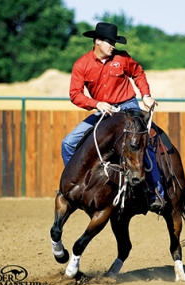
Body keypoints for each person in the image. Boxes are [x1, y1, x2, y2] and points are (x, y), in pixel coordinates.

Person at [62, 22, 164, 212]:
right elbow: (75, 94)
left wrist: (146, 95)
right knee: (68, 143)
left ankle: (155, 192)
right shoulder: (81, 64)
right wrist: (96, 104)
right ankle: (74, 188)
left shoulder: (122, 58)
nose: (113, 46)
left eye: (114, 42)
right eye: (109, 42)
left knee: (144, 142)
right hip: (104, 111)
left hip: (128, 107)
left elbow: (138, 74)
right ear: (97, 41)